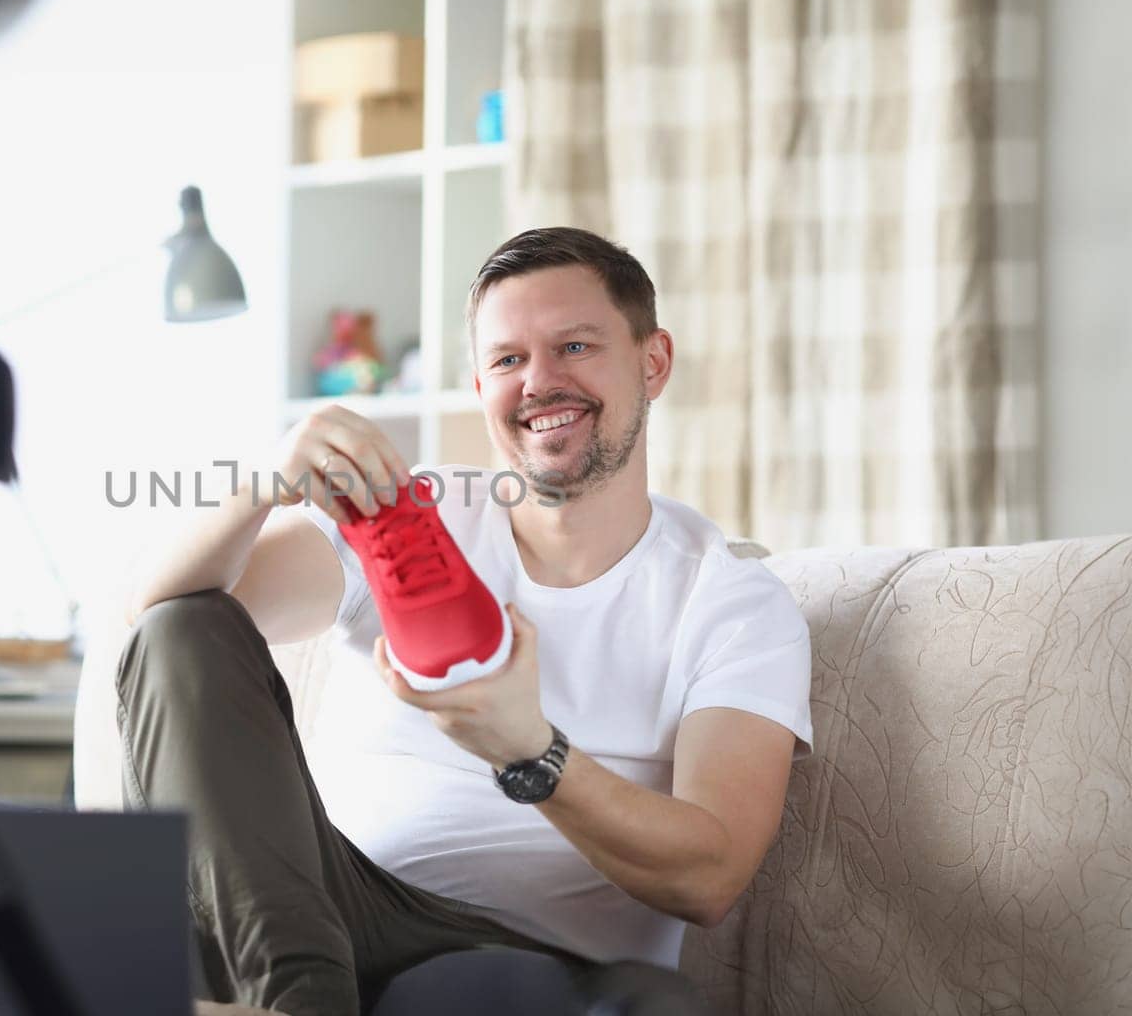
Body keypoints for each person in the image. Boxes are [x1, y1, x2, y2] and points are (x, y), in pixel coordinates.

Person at [121, 228, 814, 1016]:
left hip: (513, 952)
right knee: (183, 629)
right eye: (508, 360)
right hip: (317, 906)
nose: (540, 383)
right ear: (479, 383)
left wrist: (529, 753)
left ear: (652, 361)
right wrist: (265, 483)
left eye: (576, 345)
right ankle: (298, 1002)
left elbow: (710, 874)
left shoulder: (731, 604)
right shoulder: (413, 511)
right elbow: (158, 620)